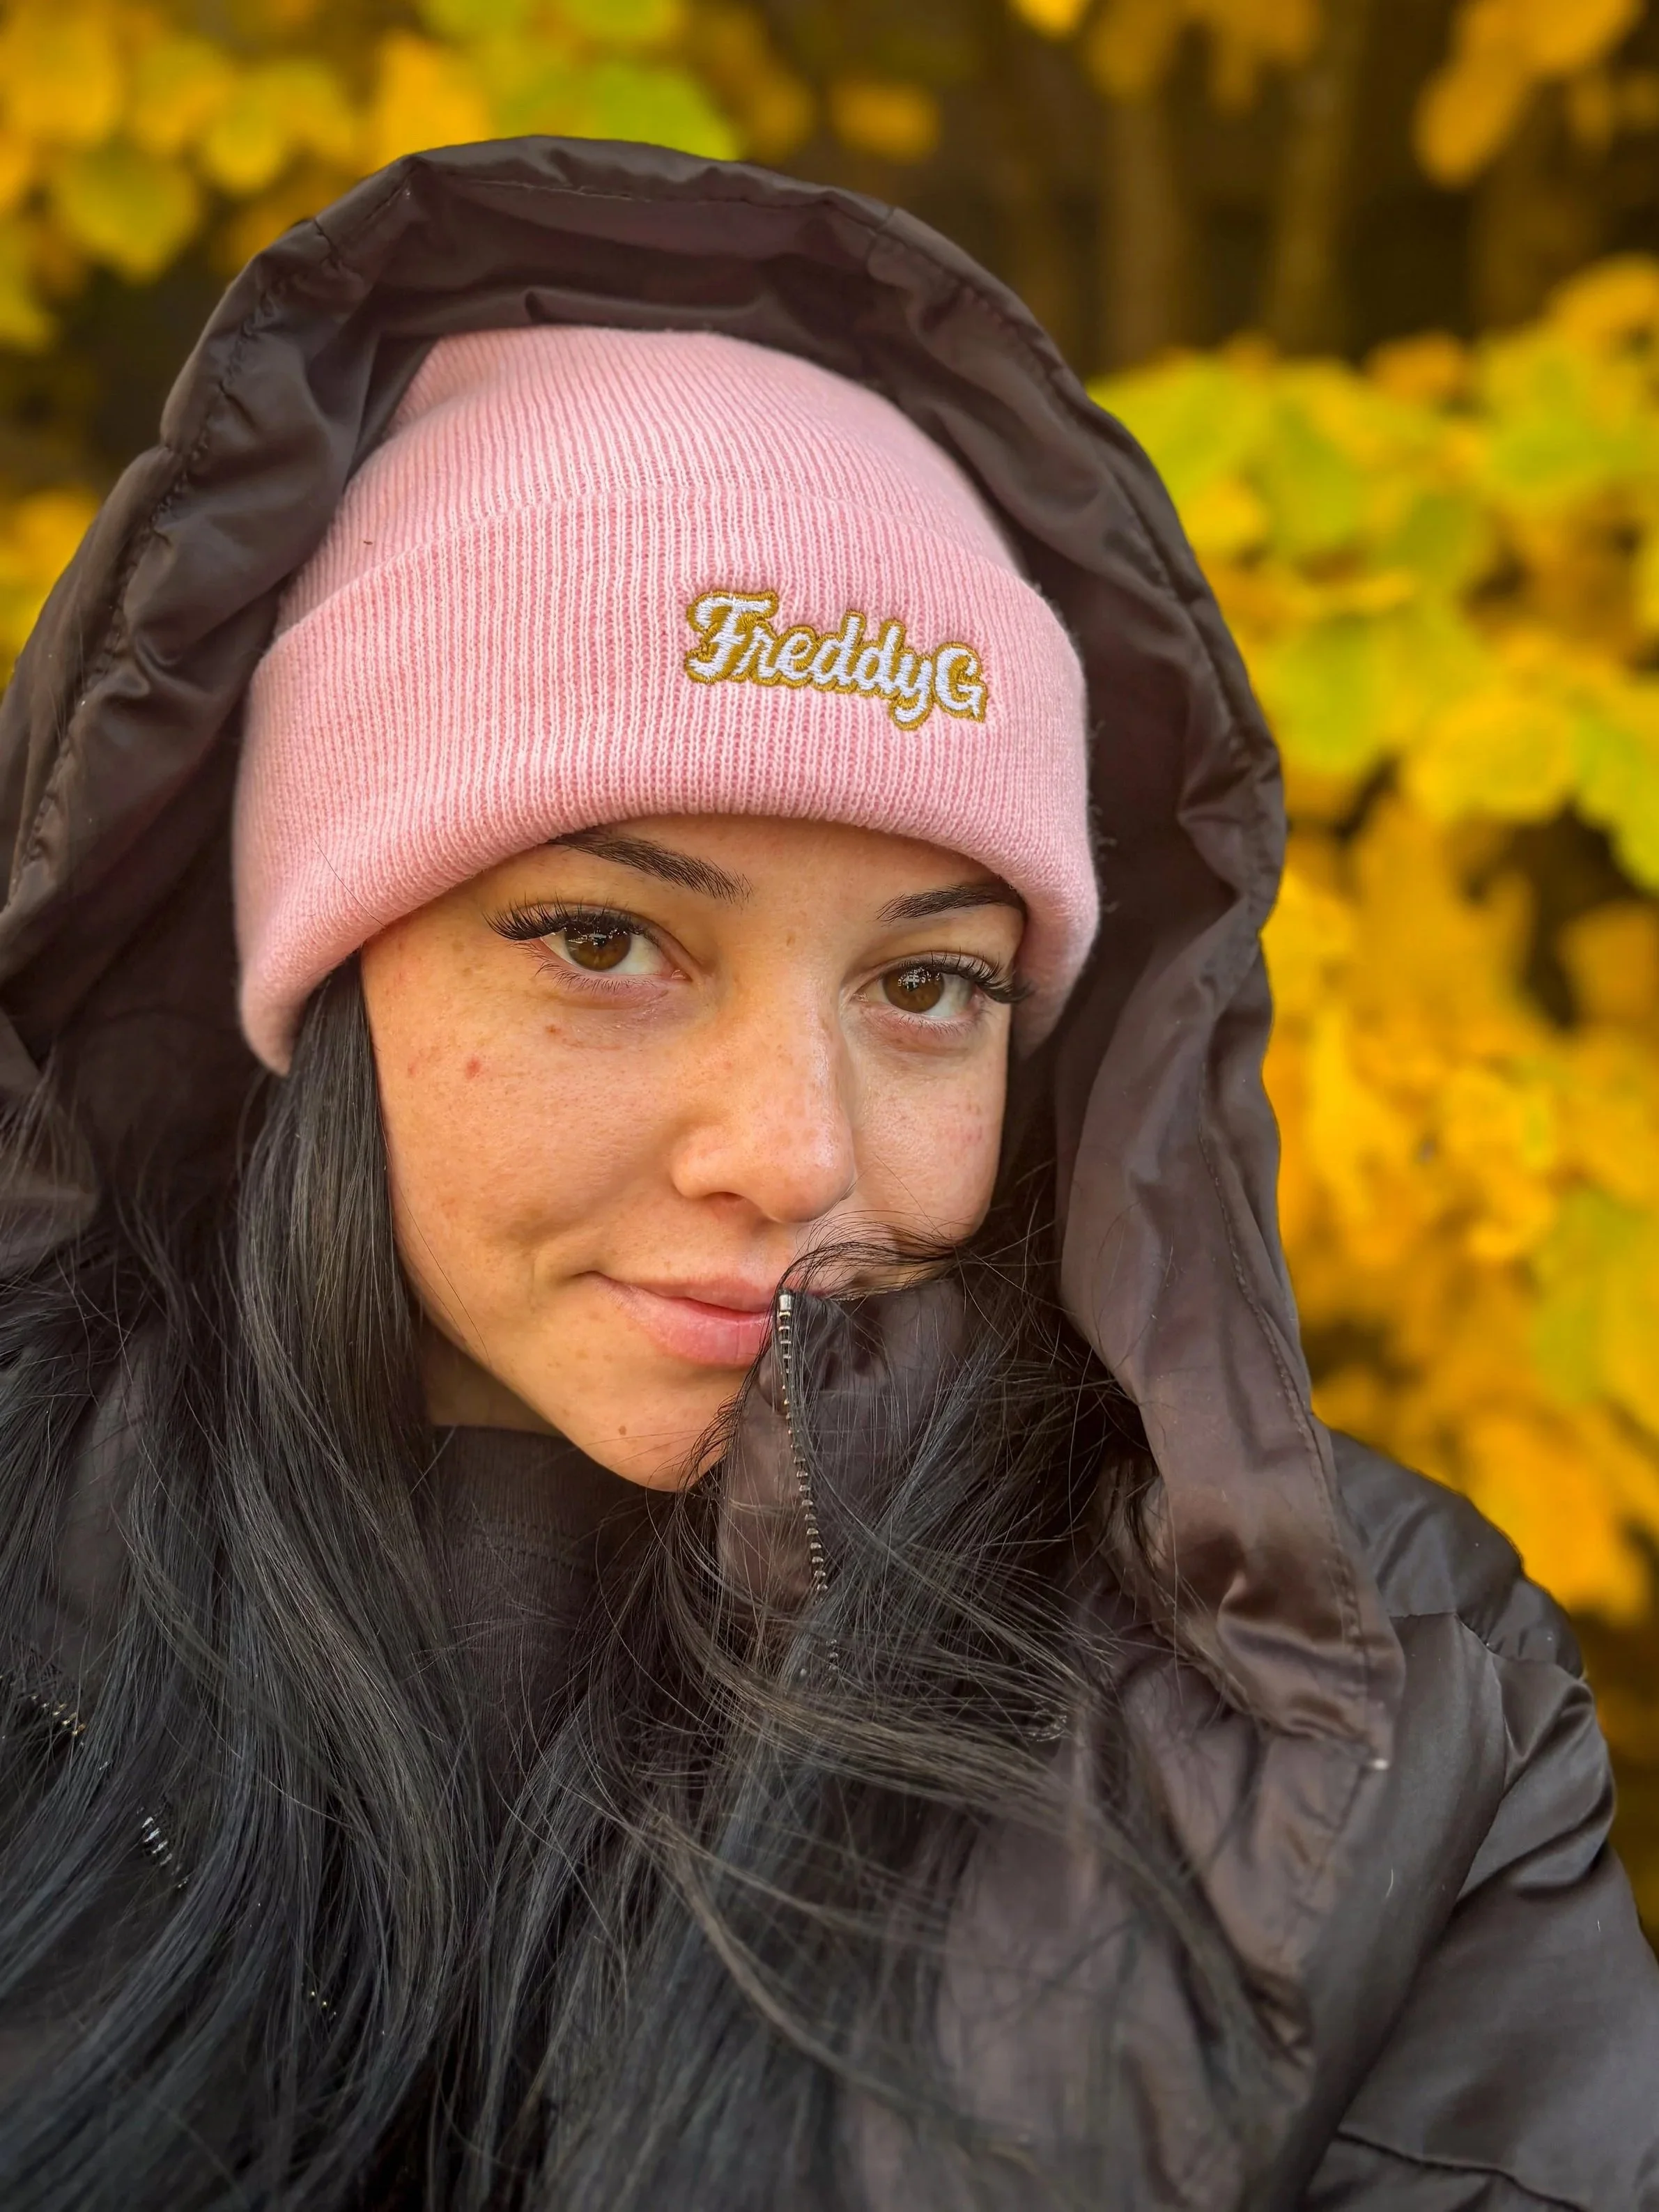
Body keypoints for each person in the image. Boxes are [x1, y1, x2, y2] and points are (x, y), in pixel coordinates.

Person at [0, 135, 1652, 2212]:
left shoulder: (1350, 1712)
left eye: (930, 980)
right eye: (606, 939)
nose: (792, 1151)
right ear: (323, 969)